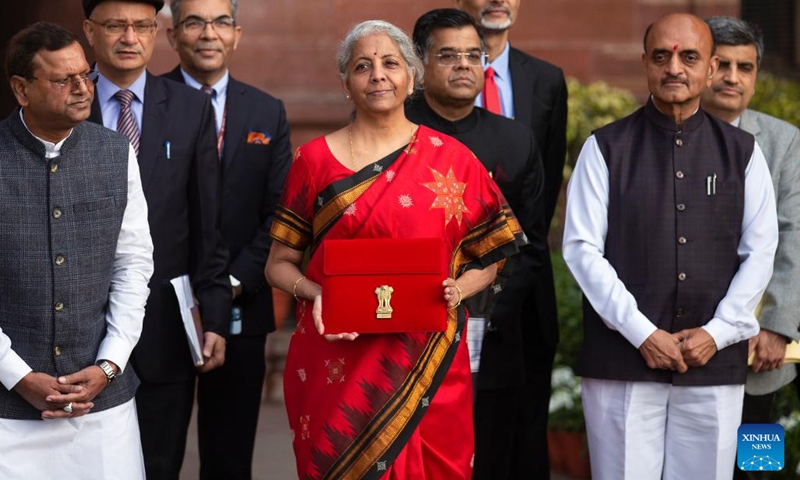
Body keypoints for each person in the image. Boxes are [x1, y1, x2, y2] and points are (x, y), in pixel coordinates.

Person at [264, 19, 524, 480]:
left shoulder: (454, 159)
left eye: (390, 63)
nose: (378, 75)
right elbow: (279, 264)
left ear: (412, 76)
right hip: (336, 362)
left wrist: (458, 290)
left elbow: (494, 254)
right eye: (362, 66)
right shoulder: (313, 161)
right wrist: (314, 291)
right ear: (346, 84)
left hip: (430, 360)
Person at [563, 13, 779, 480]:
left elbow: (761, 251)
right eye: (661, 56)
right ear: (645, 64)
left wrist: (717, 333)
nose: (674, 67)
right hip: (623, 362)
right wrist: (641, 332)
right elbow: (581, 249)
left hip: (714, 362)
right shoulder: (605, 147)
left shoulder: (742, 151)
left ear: (711, 67)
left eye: (689, 57)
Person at [82, 0, 232, 478]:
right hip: (79, 325)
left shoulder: (190, 108)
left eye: (142, 26)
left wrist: (213, 315)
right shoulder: (64, 98)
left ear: (156, 31)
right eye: (115, 26)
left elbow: (206, 224)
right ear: (89, 31)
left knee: (160, 461)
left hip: (165, 324)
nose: (130, 38)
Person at [0, 21, 153, 479]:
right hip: (8, 414)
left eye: (85, 75)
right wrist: (17, 375)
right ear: (21, 89)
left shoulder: (117, 151)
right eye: (63, 79)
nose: (82, 88)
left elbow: (133, 265)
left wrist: (109, 363)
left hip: (104, 409)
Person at [405, 8, 547, 479]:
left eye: (473, 54)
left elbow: (528, 245)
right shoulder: (393, 132)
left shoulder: (515, 140)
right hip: (402, 331)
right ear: (420, 64)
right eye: (448, 55)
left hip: (491, 330)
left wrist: (485, 317)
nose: (464, 65)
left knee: (488, 458)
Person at [163, 0, 292, 478]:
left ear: (237, 34)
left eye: (220, 22)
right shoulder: (146, 103)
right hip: (160, 307)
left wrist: (228, 284)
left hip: (243, 305)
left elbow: (280, 215)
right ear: (173, 36)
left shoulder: (267, 111)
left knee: (230, 456)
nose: (208, 33)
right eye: (193, 22)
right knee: (155, 449)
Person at [453, 2, 565, 474]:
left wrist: (511, 283)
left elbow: (545, 189)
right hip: (448, 289)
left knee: (522, 434)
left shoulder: (546, 79)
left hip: (525, 287)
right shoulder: (424, 83)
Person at [698, 16, 800, 480]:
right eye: (722, 64)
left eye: (746, 67)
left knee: (757, 465)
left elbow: (792, 234)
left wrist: (778, 325)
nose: (732, 78)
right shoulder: (667, 132)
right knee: (692, 461)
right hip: (687, 340)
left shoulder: (783, 142)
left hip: (761, 349)